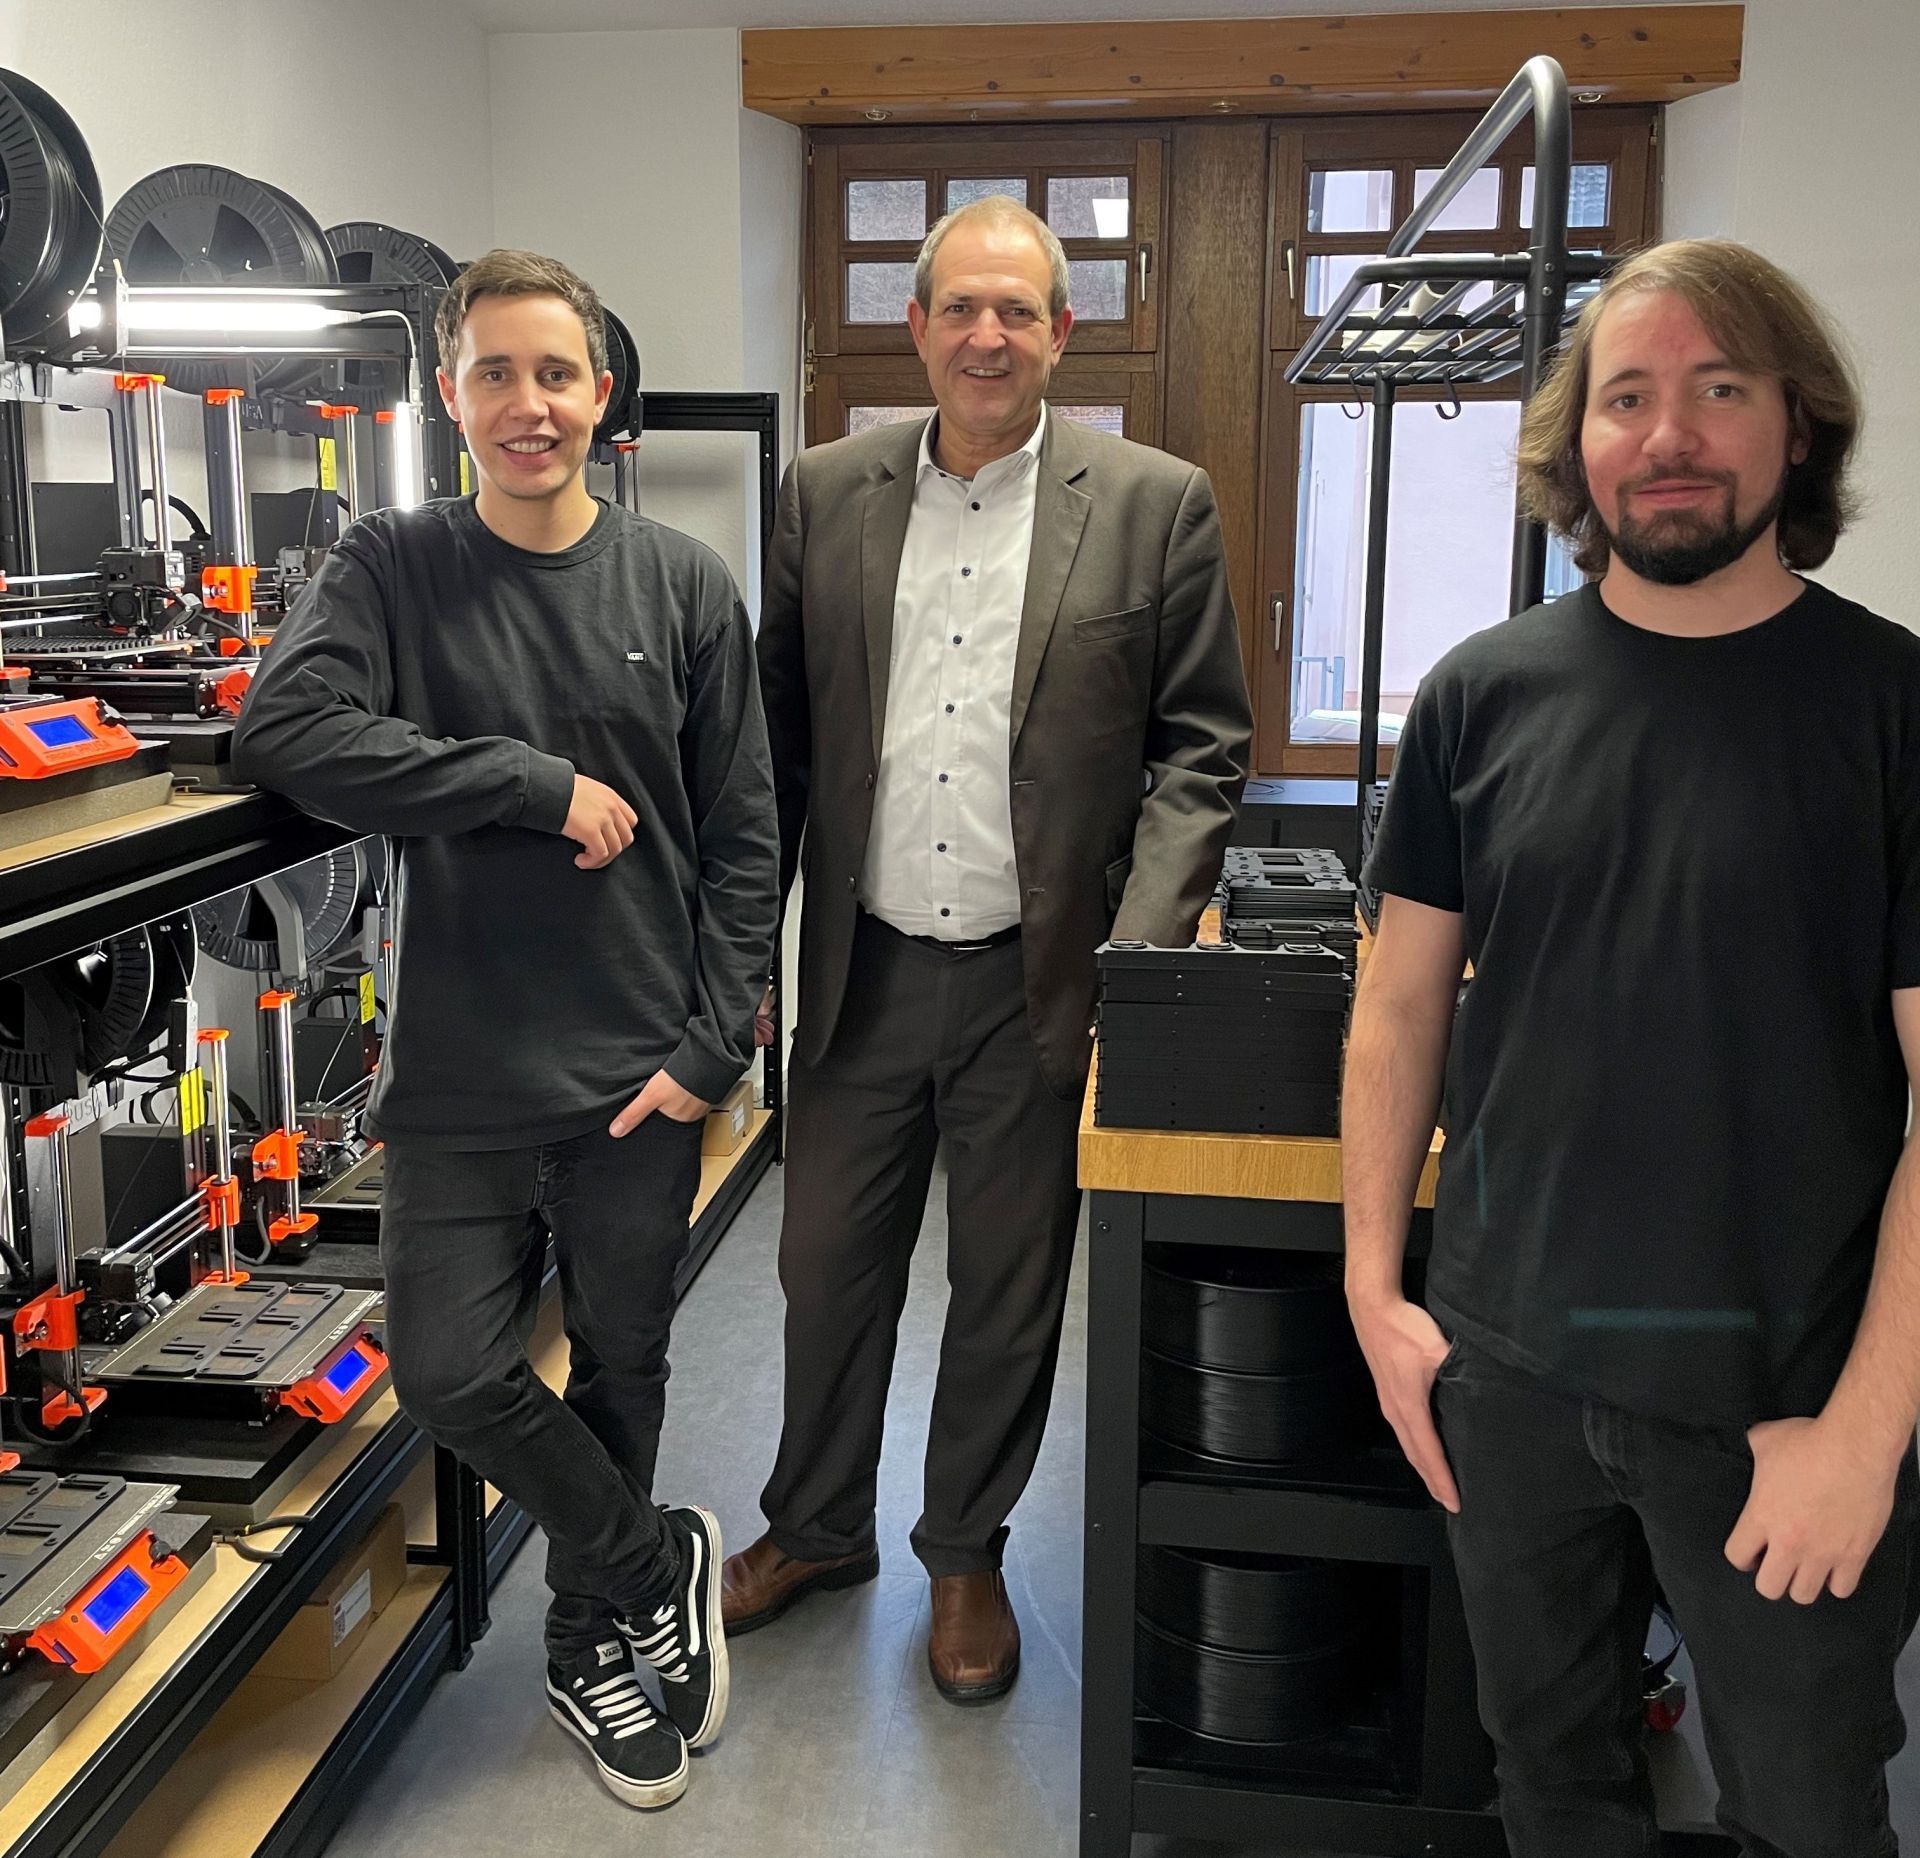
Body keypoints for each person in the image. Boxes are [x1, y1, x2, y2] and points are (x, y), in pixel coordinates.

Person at [1344, 238, 1920, 1855]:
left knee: (1806, 1812)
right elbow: (1400, 1004)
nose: (1670, 434)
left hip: (1778, 1400)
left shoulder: (1891, 710)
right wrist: (1376, 1293)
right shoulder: (1479, 696)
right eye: (1630, 396)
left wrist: (1867, 1431)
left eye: (1719, 389)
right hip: (1509, 1373)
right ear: (1577, 443)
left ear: (1795, 428)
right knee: (1554, 1788)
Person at [231, 249, 779, 1811]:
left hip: (638, 1071)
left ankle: (589, 1640)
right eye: (493, 373)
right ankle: (646, 1547)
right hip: (461, 1073)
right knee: (448, 1365)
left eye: (556, 373)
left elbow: (746, 835)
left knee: (626, 1361)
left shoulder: (681, 583)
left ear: (603, 394)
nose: (526, 405)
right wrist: (523, 783)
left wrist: (709, 1052)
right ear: (449, 394)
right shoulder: (392, 566)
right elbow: (287, 727)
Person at [731, 196, 1253, 1701]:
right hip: (863, 969)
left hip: (1047, 976)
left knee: (1010, 1287)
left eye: (1018, 311)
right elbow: (776, 740)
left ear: (1060, 333)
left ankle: (964, 1548)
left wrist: (1135, 956)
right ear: (916, 327)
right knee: (827, 1271)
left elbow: (1202, 748)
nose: (987, 336)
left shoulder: (1156, 501)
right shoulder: (825, 492)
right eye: (961, 307)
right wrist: (749, 942)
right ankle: (817, 1525)